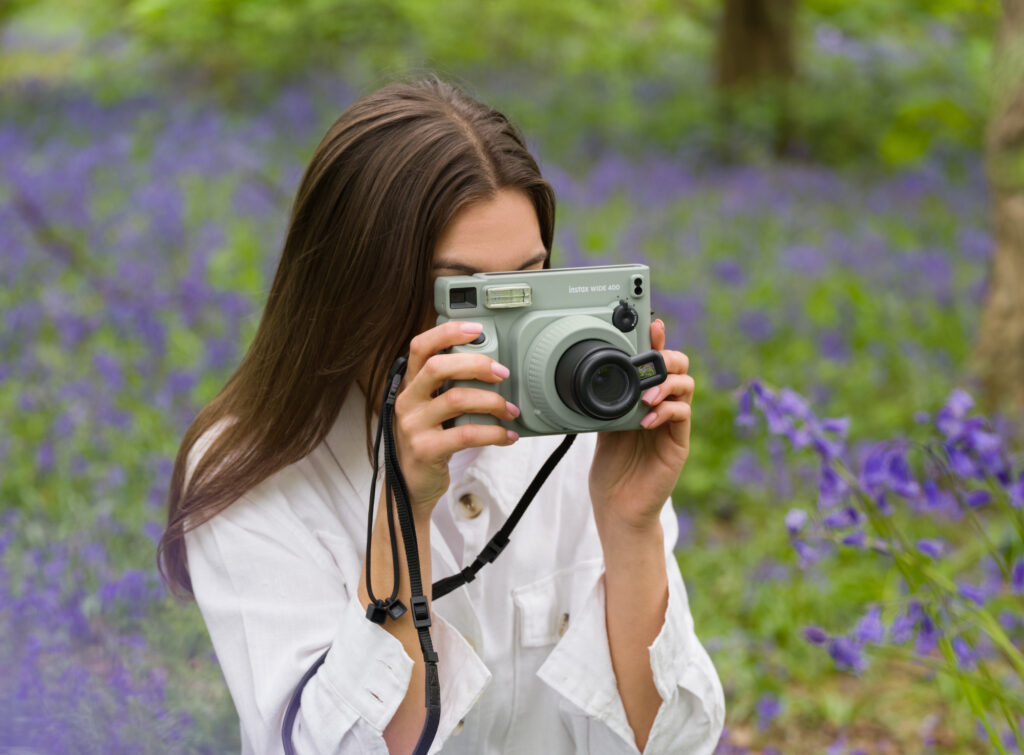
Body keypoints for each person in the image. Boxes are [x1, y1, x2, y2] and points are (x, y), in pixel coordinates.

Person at [158, 77, 725, 754]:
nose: (499, 332)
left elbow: (673, 743)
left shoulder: (582, 432)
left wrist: (631, 526)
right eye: (461, 295)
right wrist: (403, 509)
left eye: (526, 283)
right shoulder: (252, 471)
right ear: (350, 291)